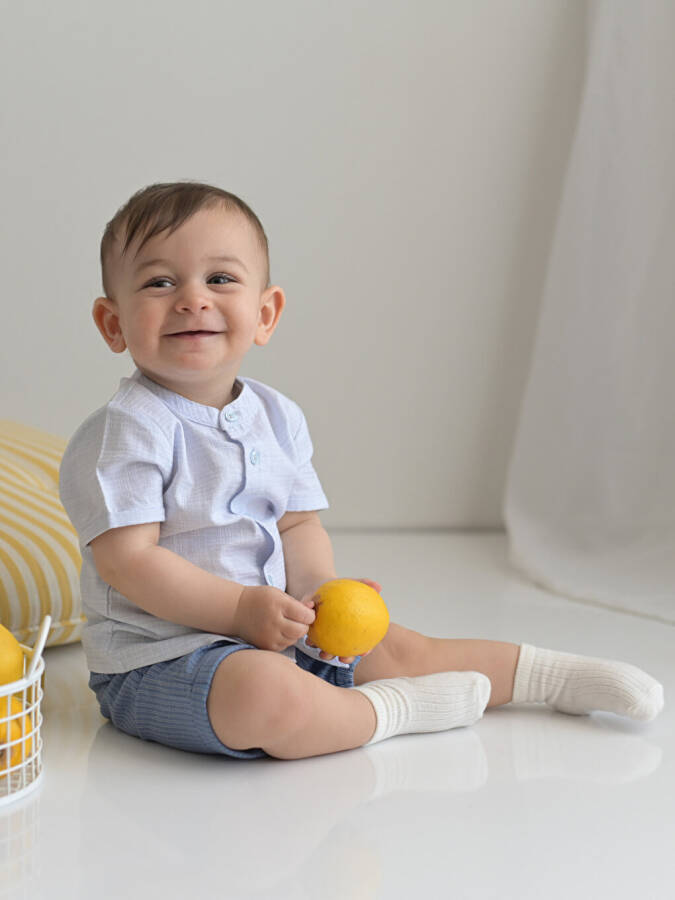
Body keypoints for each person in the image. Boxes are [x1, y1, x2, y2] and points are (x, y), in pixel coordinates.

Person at [59, 181, 664, 761]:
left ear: (265, 313)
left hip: (275, 629)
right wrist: (241, 611)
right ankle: (391, 712)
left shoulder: (276, 414)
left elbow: (297, 526)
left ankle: (553, 676)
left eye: (220, 278)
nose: (193, 298)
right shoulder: (126, 429)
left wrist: (318, 586)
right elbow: (129, 562)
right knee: (266, 694)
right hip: (162, 661)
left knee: (398, 645)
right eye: (160, 282)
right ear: (114, 324)